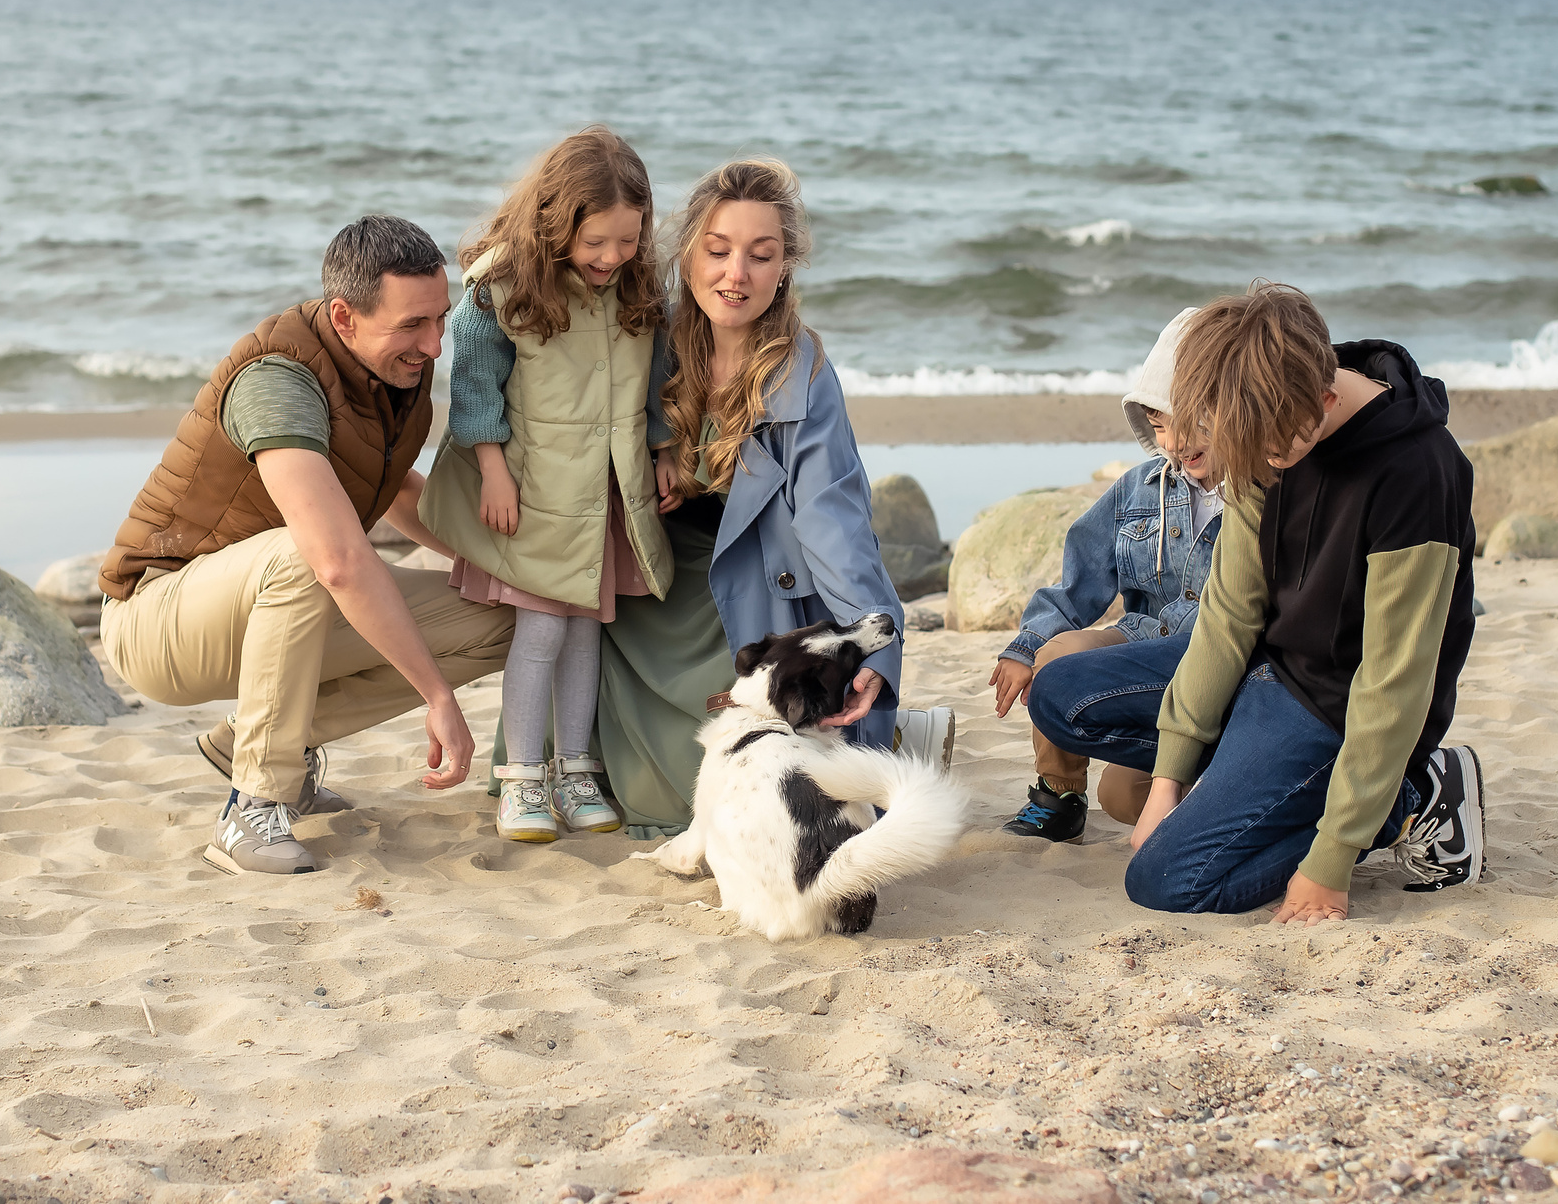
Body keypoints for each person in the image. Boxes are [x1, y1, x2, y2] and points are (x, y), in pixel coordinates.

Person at [1027, 280, 1484, 921]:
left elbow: (1394, 680)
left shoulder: (1417, 472)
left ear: (1324, 401)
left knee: (1166, 883)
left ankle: (1407, 800)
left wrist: (1332, 861)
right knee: (1058, 693)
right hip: (1262, 667)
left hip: (1332, 704)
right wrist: (1167, 784)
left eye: (1271, 454)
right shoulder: (1261, 408)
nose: (1257, 467)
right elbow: (1230, 614)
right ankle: (1255, 785)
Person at [97, 215, 515, 876]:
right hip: (158, 619)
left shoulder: (392, 376)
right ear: (345, 317)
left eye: (441, 318)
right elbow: (337, 560)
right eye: (412, 325)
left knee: (503, 612)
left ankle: (258, 741)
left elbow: (397, 491)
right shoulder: (277, 379)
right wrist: (438, 695)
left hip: (275, 603)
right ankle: (254, 804)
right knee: (305, 555)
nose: (435, 345)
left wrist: (511, 565)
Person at [592, 157, 950, 839]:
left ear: (785, 266)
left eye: (761, 256)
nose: (737, 274)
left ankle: (904, 735)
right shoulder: (657, 339)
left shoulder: (802, 371)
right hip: (673, 571)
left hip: (759, 584)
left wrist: (875, 650)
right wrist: (657, 456)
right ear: (689, 253)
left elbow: (834, 522)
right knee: (605, 624)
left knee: (727, 789)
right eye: (719, 251)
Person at [418, 127, 675, 843]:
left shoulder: (639, 286)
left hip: (605, 495)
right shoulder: (502, 288)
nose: (610, 257)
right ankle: (523, 777)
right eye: (595, 243)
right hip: (533, 492)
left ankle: (576, 768)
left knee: (587, 628)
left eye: (626, 241)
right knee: (540, 630)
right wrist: (493, 470)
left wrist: (662, 450)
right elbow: (474, 388)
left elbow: (656, 379)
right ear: (557, 221)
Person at [991, 307, 1220, 843]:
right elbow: (1080, 578)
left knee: (1126, 798)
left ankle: (1226, 788)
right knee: (1120, 798)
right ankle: (1059, 794)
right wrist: (1027, 645)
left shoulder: (1266, 493)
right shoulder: (1140, 489)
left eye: (1186, 419)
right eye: (1159, 424)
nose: (1172, 441)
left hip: (1218, 662)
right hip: (1142, 651)